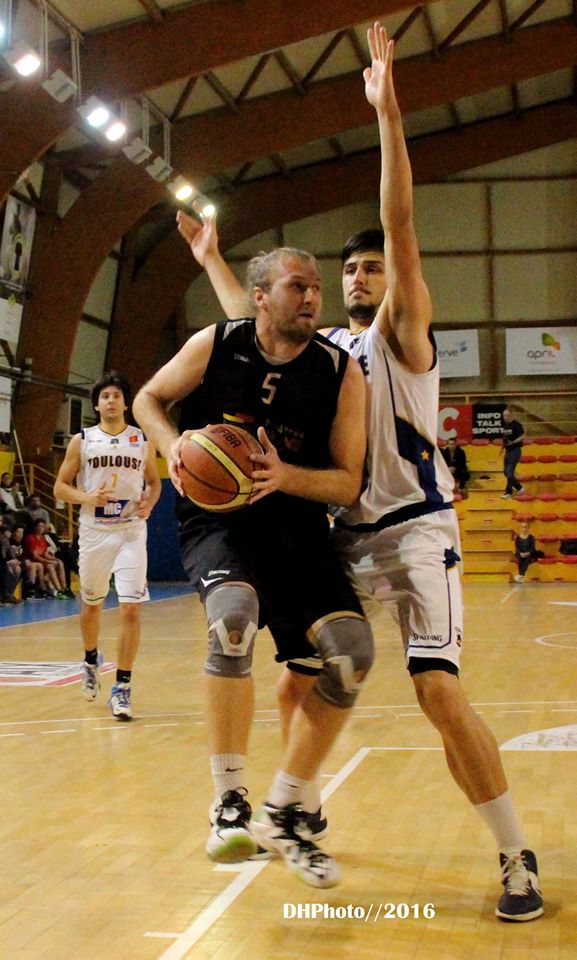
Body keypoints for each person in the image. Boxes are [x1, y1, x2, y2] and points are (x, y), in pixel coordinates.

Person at [177, 22, 543, 922]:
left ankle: (513, 855)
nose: (358, 274)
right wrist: (217, 262)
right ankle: (291, 805)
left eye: (370, 267)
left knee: (436, 692)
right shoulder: (325, 351)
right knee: (305, 670)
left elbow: (400, 220)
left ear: (392, 282)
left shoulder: (401, 337)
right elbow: (246, 336)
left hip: (416, 528)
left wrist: (387, 115)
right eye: (347, 269)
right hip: (340, 528)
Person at [133, 246, 372, 888]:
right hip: (220, 523)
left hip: (294, 525)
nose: (314, 297)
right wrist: (173, 443)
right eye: (299, 286)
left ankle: (287, 806)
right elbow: (148, 399)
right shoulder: (217, 342)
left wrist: (285, 475)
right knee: (232, 620)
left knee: (350, 653)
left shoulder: (340, 372)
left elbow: (349, 482)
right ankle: (229, 800)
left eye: (317, 287)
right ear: (260, 296)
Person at [53, 372, 161, 721]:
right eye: (105, 397)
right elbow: (59, 488)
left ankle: (123, 688)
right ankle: (89, 659)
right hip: (94, 531)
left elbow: (155, 483)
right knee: (92, 606)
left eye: (116, 395)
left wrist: (150, 504)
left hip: (131, 530)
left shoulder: (142, 440)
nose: (111, 401)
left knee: (130, 609)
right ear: (96, 405)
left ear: (126, 403)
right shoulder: (81, 441)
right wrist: (86, 496)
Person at [23, 518, 68, 598]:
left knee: (60, 563)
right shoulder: (31, 538)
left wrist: (55, 559)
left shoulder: (43, 538)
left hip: (42, 561)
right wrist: (48, 561)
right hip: (33, 561)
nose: (41, 528)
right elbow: (35, 556)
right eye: (39, 526)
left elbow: (45, 553)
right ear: (35, 527)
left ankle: (64, 589)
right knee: (50, 566)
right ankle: (59, 590)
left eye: (43, 527)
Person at [501, 408, 526, 499]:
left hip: (515, 450)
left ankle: (519, 489)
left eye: (507, 415)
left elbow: (523, 435)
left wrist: (514, 442)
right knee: (506, 472)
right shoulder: (505, 425)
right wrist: (502, 448)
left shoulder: (516, 425)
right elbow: (505, 438)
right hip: (508, 451)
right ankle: (509, 492)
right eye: (504, 415)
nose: (505, 417)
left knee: (509, 472)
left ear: (511, 415)